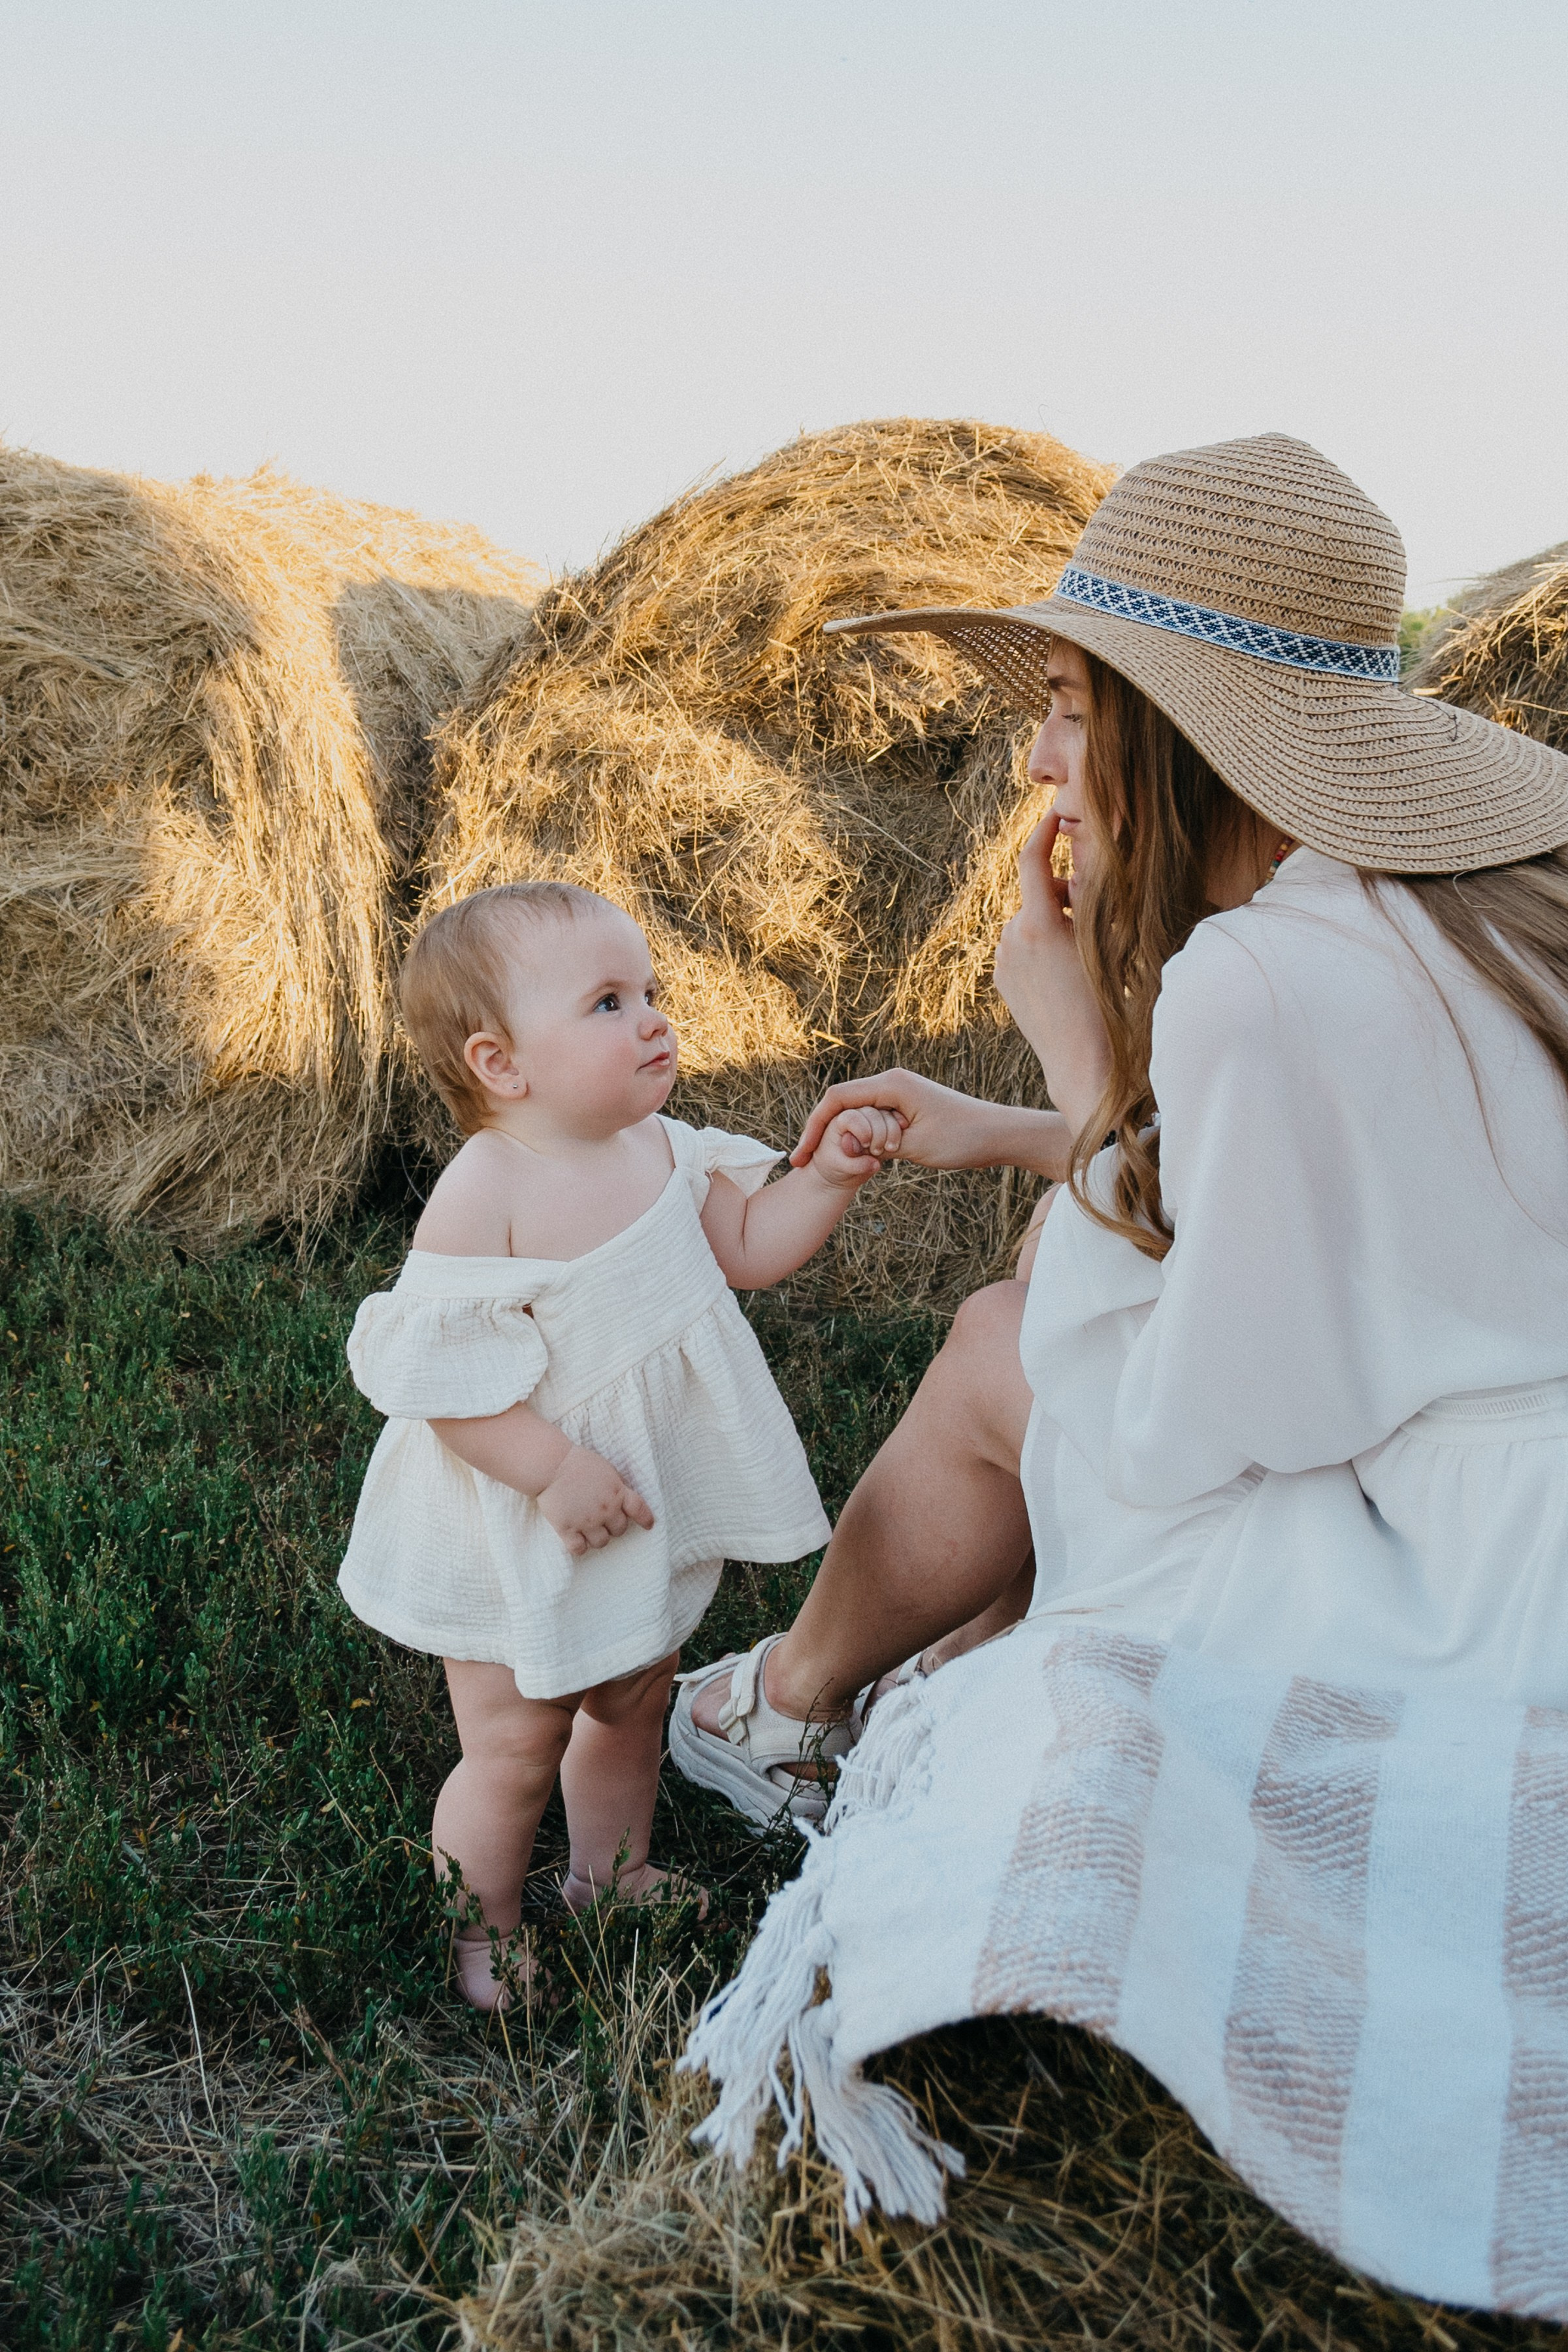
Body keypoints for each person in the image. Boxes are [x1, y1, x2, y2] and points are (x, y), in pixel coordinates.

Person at [674, 435, 1568, 2317]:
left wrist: (1079, 1060)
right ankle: (797, 1697)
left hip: (1482, 1594)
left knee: (1020, 1345)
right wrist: (1041, 1133)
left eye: (1069, 704)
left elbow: (1208, 1425)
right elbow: (1333, 1221)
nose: (1037, 758)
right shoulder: (1498, 898)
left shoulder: (1259, 977)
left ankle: (782, 1705)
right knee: (1041, 1324)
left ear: (1172, 720)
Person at [336, 881, 902, 2009]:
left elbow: (745, 1244)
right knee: (514, 1745)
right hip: (517, 1518)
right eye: (606, 1002)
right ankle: (483, 1936)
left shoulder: (657, 1145)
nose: (651, 1018)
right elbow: (443, 1382)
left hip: (635, 1507)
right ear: (502, 1064)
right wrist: (552, 1469)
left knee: (633, 1697)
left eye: (649, 992)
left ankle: (613, 1871)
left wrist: (825, 1180)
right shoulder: (485, 1192)